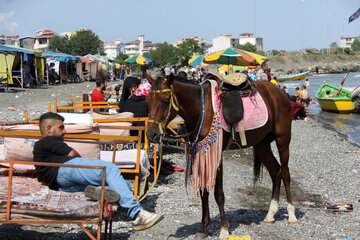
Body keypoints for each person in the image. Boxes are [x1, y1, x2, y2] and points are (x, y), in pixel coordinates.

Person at [33, 112, 163, 230]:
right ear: (49, 129)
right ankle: (137, 214)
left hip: (59, 184)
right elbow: (73, 154)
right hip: (66, 168)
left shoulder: (39, 147)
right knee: (110, 169)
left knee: (123, 185)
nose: (64, 131)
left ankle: (104, 193)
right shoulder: (49, 140)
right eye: (61, 127)